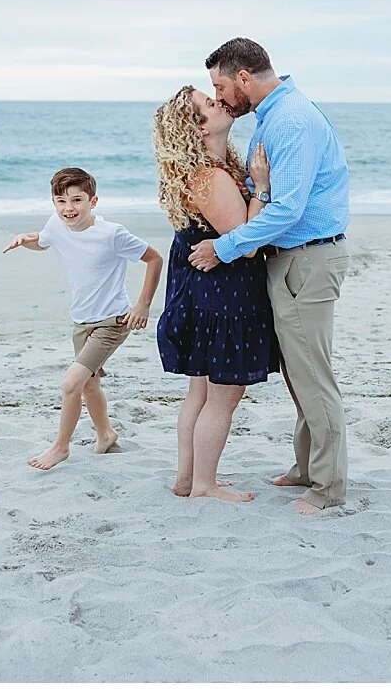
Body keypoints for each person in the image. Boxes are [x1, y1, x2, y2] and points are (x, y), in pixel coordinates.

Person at [187, 38, 351, 515]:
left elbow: (287, 208)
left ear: (243, 78)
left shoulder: (290, 121)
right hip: (292, 258)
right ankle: (307, 468)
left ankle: (328, 487)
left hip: (308, 258)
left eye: (220, 86)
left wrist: (224, 247)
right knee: (297, 372)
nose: (219, 98)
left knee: (314, 377)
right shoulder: (274, 116)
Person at [152, 86, 280, 503]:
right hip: (223, 296)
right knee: (222, 395)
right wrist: (261, 188)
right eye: (209, 104)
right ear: (198, 127)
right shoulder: (210, 175)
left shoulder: (214, 167)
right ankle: (205, 484)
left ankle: (188, 479)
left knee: (202, 390)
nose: (219, 103)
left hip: (207, 292)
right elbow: (246, 240)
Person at [4, 167, 163, 471]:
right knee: (89, 384)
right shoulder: (56, 224)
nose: (69, 209)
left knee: (70, 383)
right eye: (61, 201)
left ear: (94, 201)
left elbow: (154, 258)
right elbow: (45, 240)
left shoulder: (112, 234)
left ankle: (60, 447)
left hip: (112, 321)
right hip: (81, 320)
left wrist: (142, 306)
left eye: (77, 200)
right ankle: (106, 434)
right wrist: (27, 240)